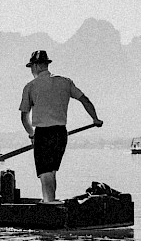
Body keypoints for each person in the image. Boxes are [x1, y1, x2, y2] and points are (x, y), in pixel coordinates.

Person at [19, 50, 103, 203]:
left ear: (37, 66)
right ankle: (50, 201)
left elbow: (24, 117)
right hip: (60, 134)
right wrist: (95, 119)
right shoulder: (65, 82)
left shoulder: (30, 87)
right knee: (52, 171)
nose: (31, 71)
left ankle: (49, 206)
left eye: (31, 67)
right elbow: (85, 100)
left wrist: (32, 135)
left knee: (45, 174)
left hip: (43, 134)